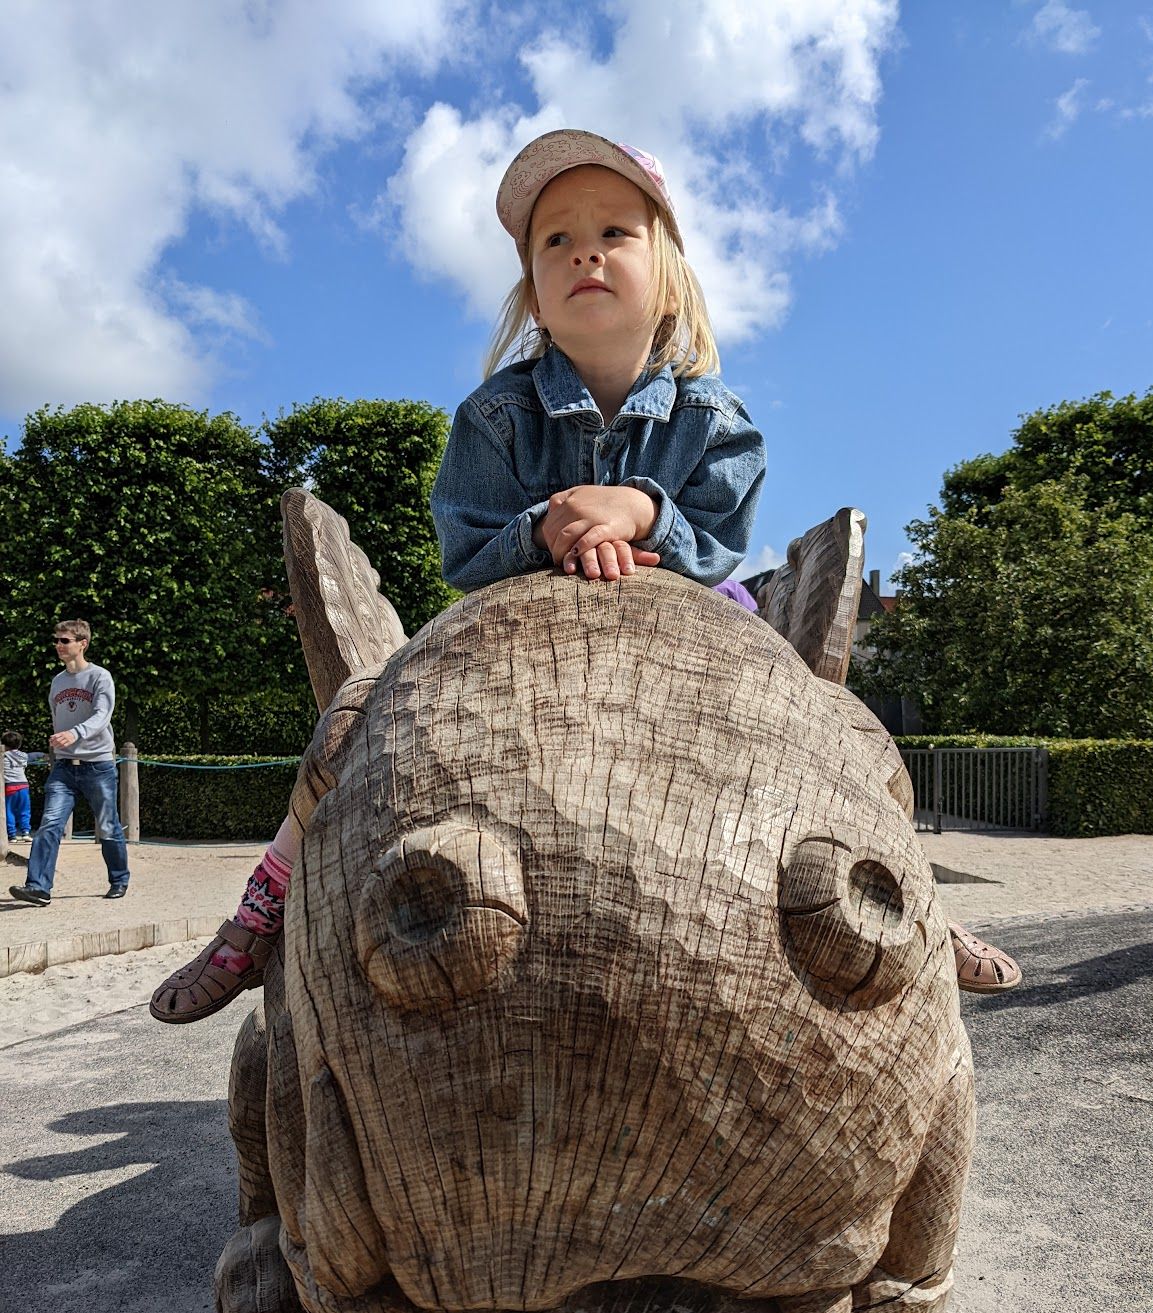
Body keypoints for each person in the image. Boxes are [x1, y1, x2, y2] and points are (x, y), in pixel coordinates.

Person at [150, 127, 1014, 1019]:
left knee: (837, 724)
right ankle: (262, 909)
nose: (585, 252)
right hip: (524, 630)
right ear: (533, 289)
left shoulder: (716, 417)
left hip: (687, 620)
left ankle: (912, 897)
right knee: (356, 717)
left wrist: (637, 510)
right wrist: (552, 527)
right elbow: (467, 550)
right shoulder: (493, 415)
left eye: (615, 232)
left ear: (668, 270)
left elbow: (716, 537)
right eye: (556, 240)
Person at [9, 620, 130, 906]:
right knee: (49, 823)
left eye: (64, 640)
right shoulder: (57, 681)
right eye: (57, 640)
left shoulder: (101, 677)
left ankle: (119, 879)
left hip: (98, 765)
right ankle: (38, 887)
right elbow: (56, 714)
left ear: (82, 643)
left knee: (108, 825)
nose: (58, 646)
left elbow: (103, 716)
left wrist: (74, 734)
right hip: (63, 767)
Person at [3, 731, 33, 841]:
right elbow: (34, 756)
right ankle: (25, 832)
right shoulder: (23, 756)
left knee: (9, 811)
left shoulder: (3, 756)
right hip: (23, 785)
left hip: (9, 786)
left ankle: (12, 835)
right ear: (19, 744)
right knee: (24, 810)